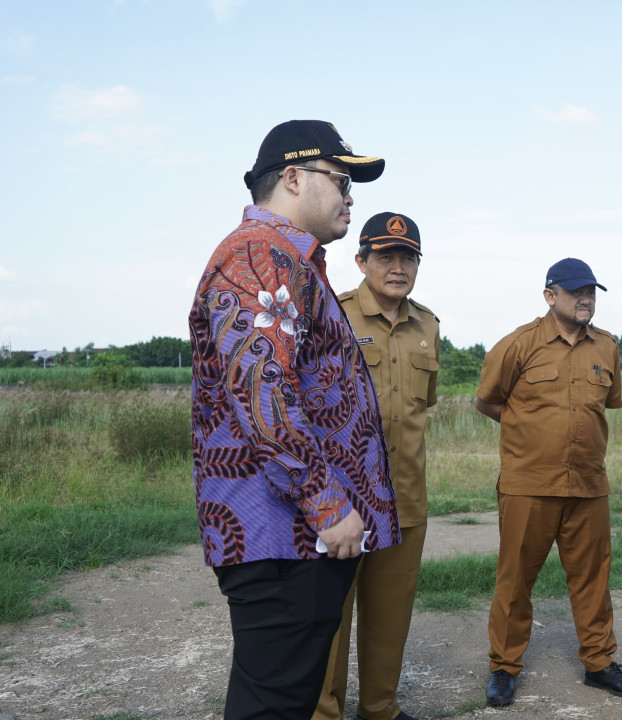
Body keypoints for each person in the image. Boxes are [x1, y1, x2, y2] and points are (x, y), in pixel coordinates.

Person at [189, 119, 400, 720]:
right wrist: (328, 505)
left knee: (284, 697)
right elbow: (264, 392)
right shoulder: (259, 254)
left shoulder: (289, 258)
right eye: (340, 179)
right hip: (284, 535)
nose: (351, 196)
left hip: (295, 538)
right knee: (273, 704)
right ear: (291, 177)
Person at [473, 258, 622, 707]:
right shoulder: (518, 345)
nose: (585, 299)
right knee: (515, 581)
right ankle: (504, 667)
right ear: (551, 296)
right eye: (575, 292)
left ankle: (599, 662)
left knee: (592, 579)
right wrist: (528, 433)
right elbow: (488, 401)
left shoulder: (606, 348)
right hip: (529, 484)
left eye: (591, 291)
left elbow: (607, 405)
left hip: (588, 485)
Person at [314, 212, 439, 720]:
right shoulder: (332, 313)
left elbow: (422, 404)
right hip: (342, 504)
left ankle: (380, 708)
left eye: (408, 256)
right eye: (385, 256)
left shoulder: (427, 325)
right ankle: (323, 712)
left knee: (391, 615)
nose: (397, 266)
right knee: (329, 621)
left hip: (405, 496)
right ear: (362, 260)